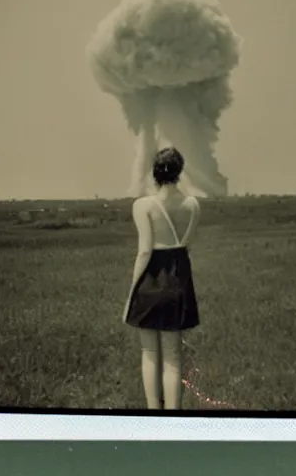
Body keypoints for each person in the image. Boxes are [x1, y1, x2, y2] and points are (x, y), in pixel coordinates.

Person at [122, 147, 201, 410]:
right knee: (173, 357)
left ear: (155, 172)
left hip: (151, 281)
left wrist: (132, 292)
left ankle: (153, 411)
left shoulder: (142, 205)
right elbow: (186, 246)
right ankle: (173, 415)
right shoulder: (193, 205)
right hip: (178, 280)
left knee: (150, 353)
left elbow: (145, 251)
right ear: (180, 171)